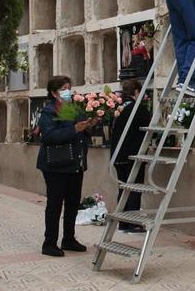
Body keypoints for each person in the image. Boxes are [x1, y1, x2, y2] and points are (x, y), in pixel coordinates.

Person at [36, 75, 99, 257]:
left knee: (72, 203)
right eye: (64, 88)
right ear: (54, 92)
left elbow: (78, 131)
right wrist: (75, 129)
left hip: (74, 164)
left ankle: (68, 239)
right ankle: (49, 243)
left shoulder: (70, 108)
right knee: (55, 204)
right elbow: (49, 136)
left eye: (69, 87)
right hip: (55, 166)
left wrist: (88, 126)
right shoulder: (49, 111)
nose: (68, 91)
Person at [110, 79, 151, 233]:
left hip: (118, 155)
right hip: (132, 155)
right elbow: (150, 123)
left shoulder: (119, 107)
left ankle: (123, 222)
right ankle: (133, 222)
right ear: (136, 92)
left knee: (123, 188)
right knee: (134, 188)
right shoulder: (136, 108)